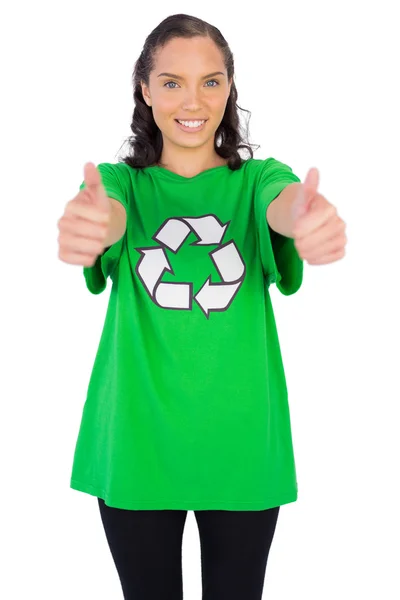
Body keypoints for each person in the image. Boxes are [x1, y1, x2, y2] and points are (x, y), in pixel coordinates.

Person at [57, 13, 346, 600]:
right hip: (135, 445)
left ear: (230, 88)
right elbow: (105, 213)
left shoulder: (258, 179)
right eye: (171, 82)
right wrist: (91, 225)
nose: (194, 100)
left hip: (240, 446)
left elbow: (284, 206)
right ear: (144, 89)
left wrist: (307, 219)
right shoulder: (122, 186)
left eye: (211, 81)